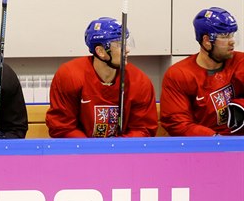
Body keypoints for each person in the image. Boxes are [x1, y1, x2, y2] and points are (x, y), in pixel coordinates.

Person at [46, 17, 157, 137]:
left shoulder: (139, 81)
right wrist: (92, 151)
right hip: (80, 152)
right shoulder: (70, 75)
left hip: (122, 152)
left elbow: (143, 128)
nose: (127, 50)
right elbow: (62, 127)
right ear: (100, 51)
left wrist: (116, 150)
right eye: (120, 45)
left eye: (126, 43)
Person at [160, 7, 244, 136]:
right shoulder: (179, 74)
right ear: (206, 40)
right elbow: (178, 123)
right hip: (205, 147)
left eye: (233, 35)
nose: (232, 41)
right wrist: (215, 140)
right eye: (225, 36)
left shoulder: (240, 61)